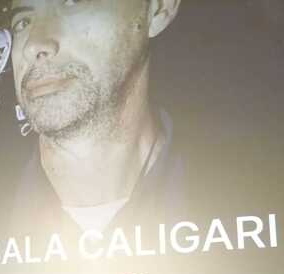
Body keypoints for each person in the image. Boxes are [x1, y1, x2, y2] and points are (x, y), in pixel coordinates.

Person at [9, 0, 182, 233]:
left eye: (73, 4)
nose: (34, 44)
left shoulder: (237, 185)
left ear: (158, 9)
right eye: (23, 22)